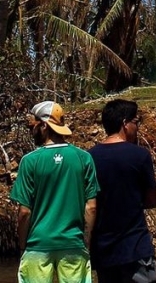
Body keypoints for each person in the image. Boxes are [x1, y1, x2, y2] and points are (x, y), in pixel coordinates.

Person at [11, 100, 100, 283]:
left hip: (38, 245)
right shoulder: (84, 158)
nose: (31, 130)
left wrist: (22, 246)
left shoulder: (29, 161)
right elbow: (91, 208)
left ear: (44, 126)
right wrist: (86, 243)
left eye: (33, 125)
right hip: (73, 244)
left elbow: (24, 212)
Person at [90, 99, 156, 283]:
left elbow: (89, 204)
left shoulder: (89, 157)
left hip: (104, 253)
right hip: (135, 248)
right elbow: (152, 200)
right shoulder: (140, 155)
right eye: (136, 122)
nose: (137, 128)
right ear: (124, 123)